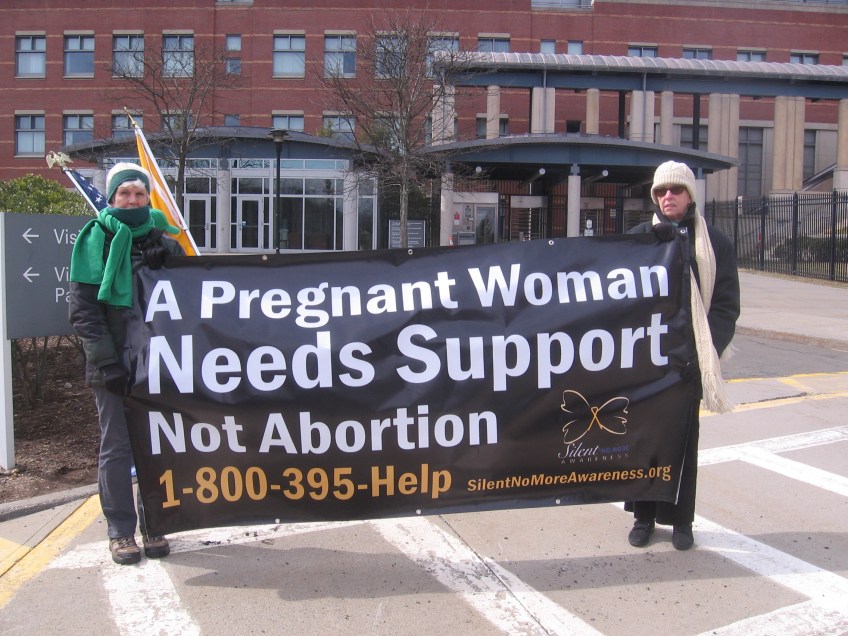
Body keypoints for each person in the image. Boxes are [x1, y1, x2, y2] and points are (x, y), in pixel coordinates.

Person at [69, 163, 184, 565]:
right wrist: (106, 363)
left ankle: (155, 523)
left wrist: (169, 263)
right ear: (112, 197)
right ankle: (120, 531)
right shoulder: (95, 240)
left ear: (147, 198)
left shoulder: (164, 241)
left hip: (158, 364)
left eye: (139, 194)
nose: (132, 200)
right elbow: (84, 312)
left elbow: (194, 299)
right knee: (117, 448)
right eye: (124, 193)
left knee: (157, 446)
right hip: (113, 367)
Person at [625, 160, 740, 550]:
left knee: (683, 444)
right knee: (643, 440)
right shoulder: (638, 239)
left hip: (688, 361)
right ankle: (643, 518)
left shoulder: (715, 243)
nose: (668, 196)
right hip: (647, 360)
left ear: (690, 194)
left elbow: (725, 305)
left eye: (675, 189)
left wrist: (706, 353)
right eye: (661, 191)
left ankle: (681, 522)